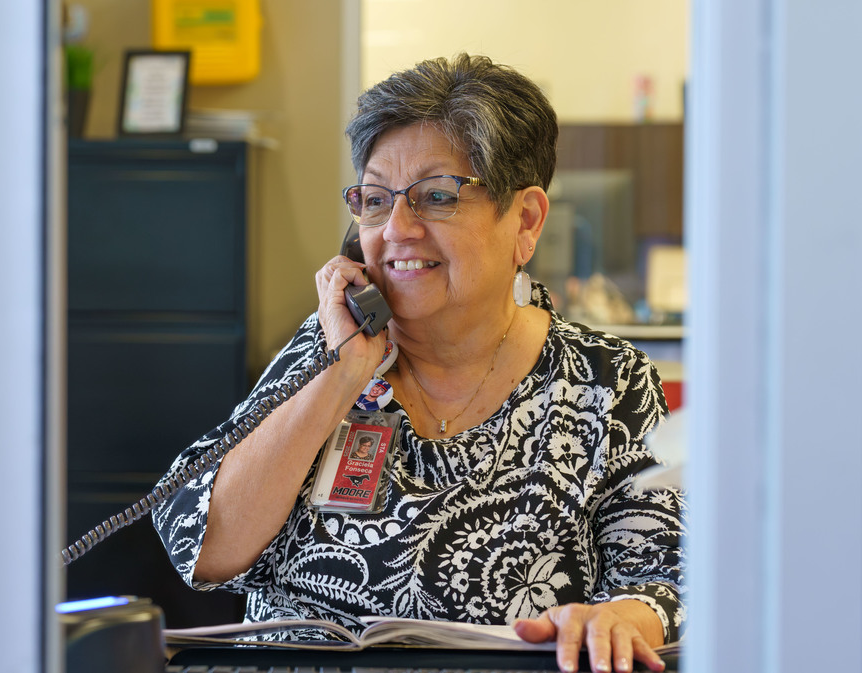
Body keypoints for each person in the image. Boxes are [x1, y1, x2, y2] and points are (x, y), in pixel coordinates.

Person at [153, 53, 685, 673]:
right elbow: (205, 548)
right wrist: (340, 376)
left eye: (436, 197)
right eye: (375, 200)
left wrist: (618, 618)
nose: (396, 229)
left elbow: (665, 574)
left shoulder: (607, 381)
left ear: (526, 220)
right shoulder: (327, 347)